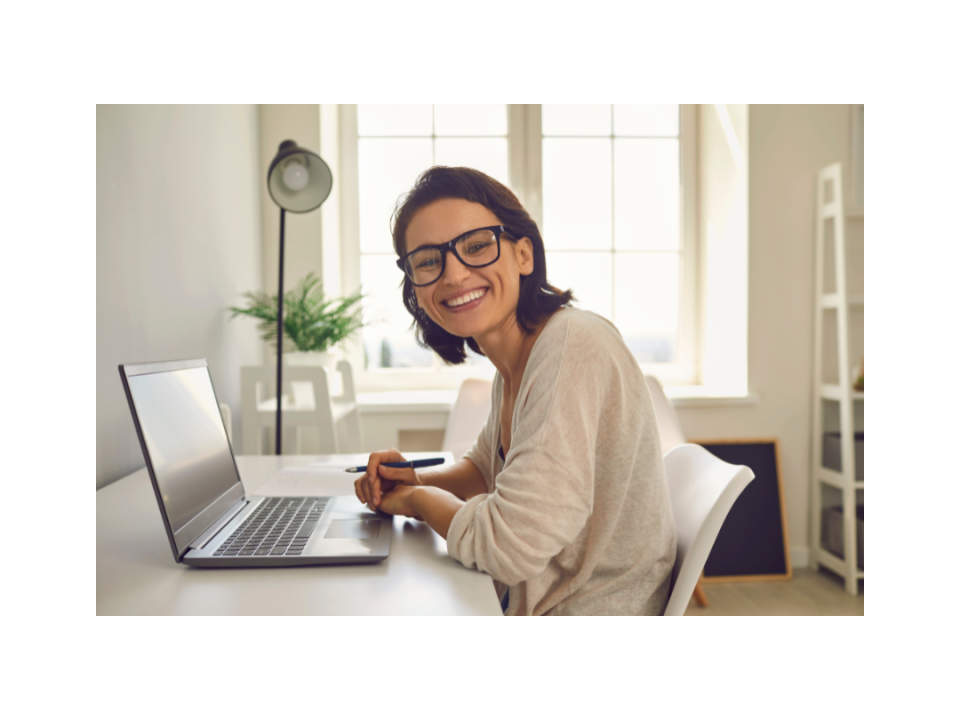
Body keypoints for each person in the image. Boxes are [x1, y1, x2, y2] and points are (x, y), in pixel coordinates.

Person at [354, 166, 676, 615]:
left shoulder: (571, 346)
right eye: (428, 260)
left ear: (524, 254)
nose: (453, 273)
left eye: (477, 246)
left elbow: (510, 545)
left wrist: (416, 500)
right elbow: (487, 473)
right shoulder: (514, 364)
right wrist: (413, 479)